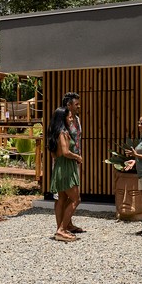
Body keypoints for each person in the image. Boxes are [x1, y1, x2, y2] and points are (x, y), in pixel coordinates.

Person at [47, 106, 82, 242]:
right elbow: (66, 152)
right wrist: (77, 157)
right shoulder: (63, 133)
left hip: (59, 167)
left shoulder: (54, 133)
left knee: (61, 199)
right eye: (69, 117)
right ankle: (62, 229)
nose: (71, 119)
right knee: (76, 199)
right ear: (63, 118)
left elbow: (54, 154)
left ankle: (60, 229)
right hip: (67, 168)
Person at [59, 92, 85, 234]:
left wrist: (77, 157)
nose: (79, 106)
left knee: (70, 195)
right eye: (76, 104)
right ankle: (61, 228)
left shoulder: (77, 120)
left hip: (74, 160)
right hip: (64, 161)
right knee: (65, 196)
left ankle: (68, 224)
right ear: (69, 105)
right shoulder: (62, 121)